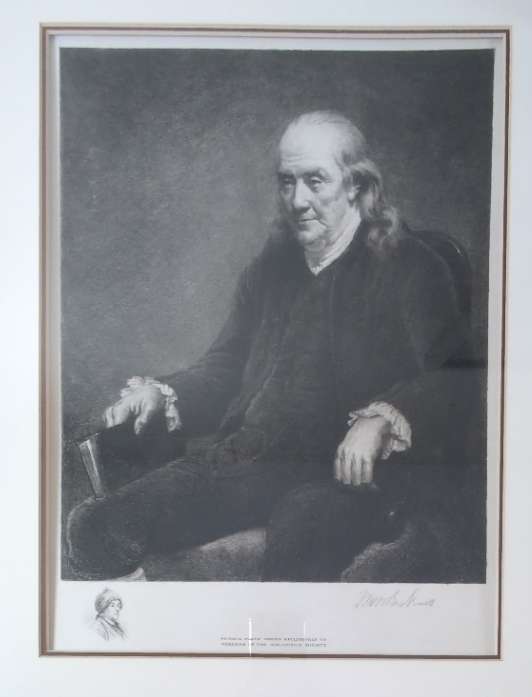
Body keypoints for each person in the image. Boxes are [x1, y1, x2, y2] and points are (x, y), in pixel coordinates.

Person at [67, 110, 472, 582]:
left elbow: (454, 378)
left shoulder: (411, 265)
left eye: (315, 181)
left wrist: (382, 418)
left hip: (349, 476)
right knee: (97, 525)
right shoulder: (272, 269)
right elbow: (225, 368)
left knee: (305, 529)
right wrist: (161, 393)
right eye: (287, 182)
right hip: (249, 462)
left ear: (357, 186)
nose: (297, 200)